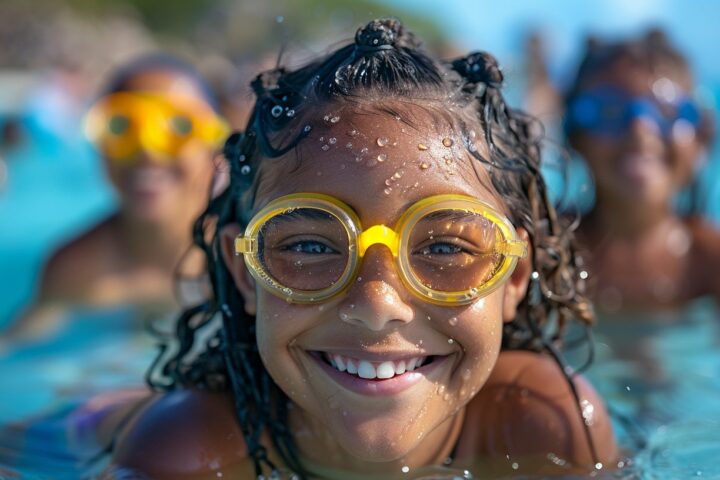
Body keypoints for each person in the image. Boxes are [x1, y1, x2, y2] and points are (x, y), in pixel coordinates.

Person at [100, 19, 617, 479]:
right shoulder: (185, 453)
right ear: (243, 272)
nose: (377, 306)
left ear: (515, 277)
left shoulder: (547, 430)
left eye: (444, 249)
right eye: (308, 244)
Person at [10, 55, 228, 337]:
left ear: (215, 148)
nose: (149, 151)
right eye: (122, 127)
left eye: (180, 128)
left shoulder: (242, 252)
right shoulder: (78, 270)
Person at [564, 30, 720, 313]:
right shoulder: (551, 253)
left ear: (699, 140)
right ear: (575, 136)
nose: (640, 128)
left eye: (667, 112)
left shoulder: (709, 260)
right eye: (609, 112)